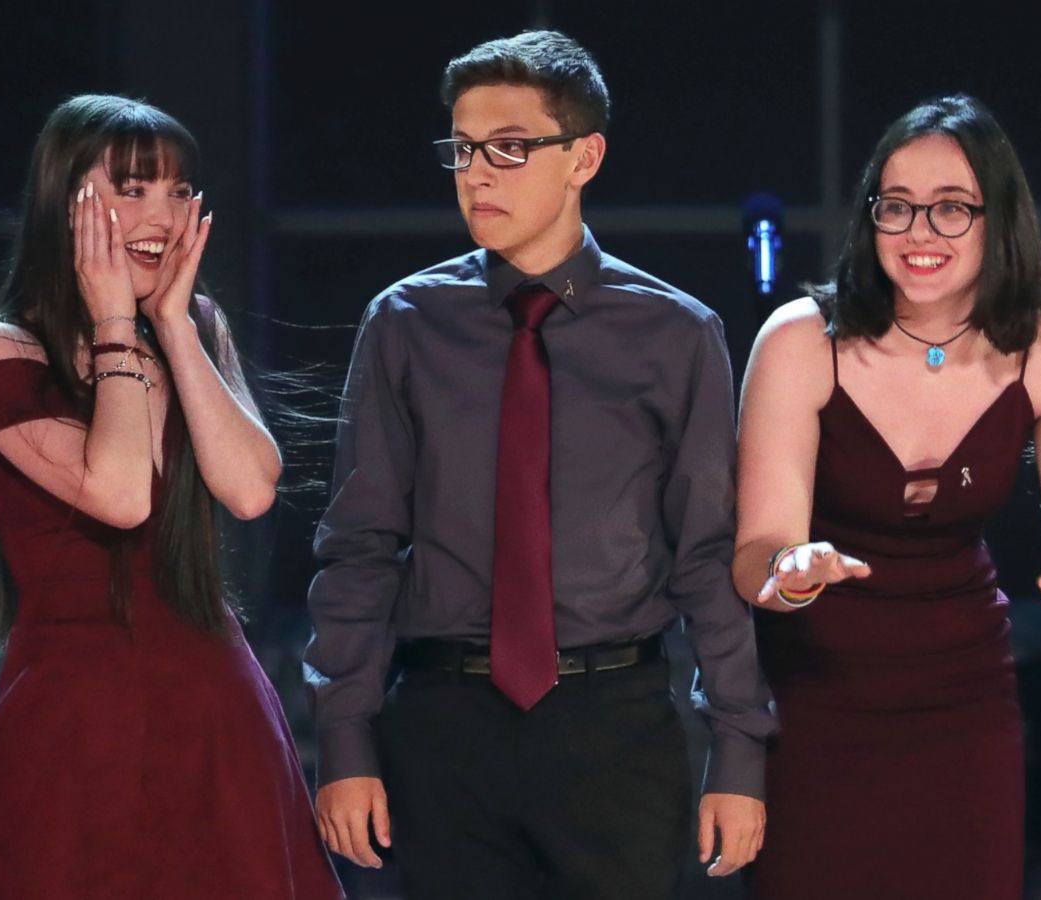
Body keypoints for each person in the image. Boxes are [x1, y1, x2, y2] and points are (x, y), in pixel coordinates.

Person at [304, 30, 773, 900]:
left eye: (509, 149)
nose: (476, 174)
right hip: (443, 722)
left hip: (617, 725)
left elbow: (708, 555)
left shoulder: (674, 334)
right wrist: (345, 742)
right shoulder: (406, 323)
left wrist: (738, 750)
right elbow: (360, 546)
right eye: (463, 149)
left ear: (583, 157)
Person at [733, 94, 1041, 899]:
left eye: (951, 209)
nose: (919, 233)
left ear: (999, 219)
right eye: (897, 207)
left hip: (965, 697)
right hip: (817, 696)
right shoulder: (798, 339)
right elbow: (756, 550)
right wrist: (789, 572)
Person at [0, 95, 341, 900]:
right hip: (76, 714)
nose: (163, 215)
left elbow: (248, 489)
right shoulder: (0, 353)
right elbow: (120, 495)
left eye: (180, 192)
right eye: (135, 189)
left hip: (216, 699)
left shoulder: (196, 328)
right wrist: (112, 319)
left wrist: (173, 325)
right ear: (64, 202)